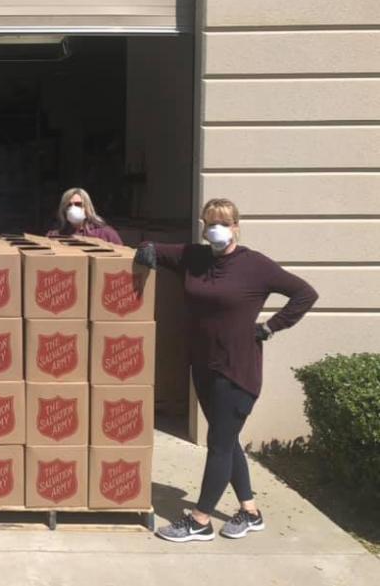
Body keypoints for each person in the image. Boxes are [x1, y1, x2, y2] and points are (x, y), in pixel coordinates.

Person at [134, 198, 317, 542]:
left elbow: (305, 294)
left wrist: (270, 326)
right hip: (203, 365)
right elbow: (153, 248)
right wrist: (145, 250)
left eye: (222, 222)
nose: (214, 228)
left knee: (218, 442)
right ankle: (250, 511)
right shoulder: (196, 257)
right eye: (209, 222)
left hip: (237, 369)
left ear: (236, 226)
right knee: (226, 439)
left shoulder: (256, 265)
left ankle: (200, 520)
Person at [46, 187, 123, 244]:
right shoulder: (54, 236)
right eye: (69, 205)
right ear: (63, 210)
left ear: (87, 207)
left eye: (78, 204)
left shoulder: (106, 234)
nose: (73, 208)